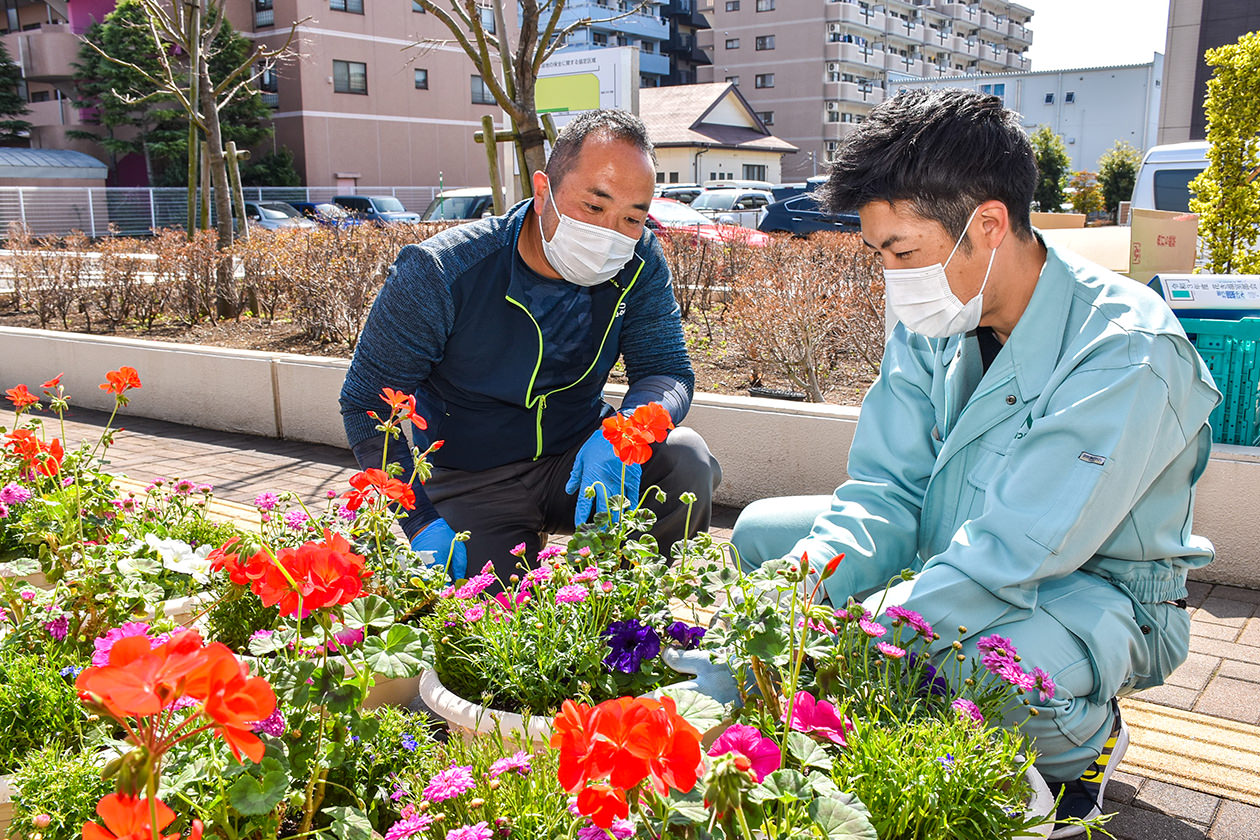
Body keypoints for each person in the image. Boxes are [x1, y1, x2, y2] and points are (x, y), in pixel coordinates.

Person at [730, 89, 1220, 838]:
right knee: (769, 541)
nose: (894, 278)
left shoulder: (1124, 348)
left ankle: (1083, 741)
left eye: (903, 252)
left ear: (988, 225)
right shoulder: (942, 310)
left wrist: (860, 636)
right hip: (956, 546)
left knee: (983, 667)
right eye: (880, 256)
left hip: (1096, 588)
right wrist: (797, 595)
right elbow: (886, 489)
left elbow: (1014, 550)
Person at [339, 109, 721, 583]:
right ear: (543, 193)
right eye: (594, 206)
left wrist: (627, 431)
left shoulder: (639, 261)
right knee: (496, 631)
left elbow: (667, 371)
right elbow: (365, 403)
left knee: (687, 459)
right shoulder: (441, 271)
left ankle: (632, 621)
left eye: (632, 217)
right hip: (471, 476)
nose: (610, 232)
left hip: (580, 456)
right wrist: (419, 522)